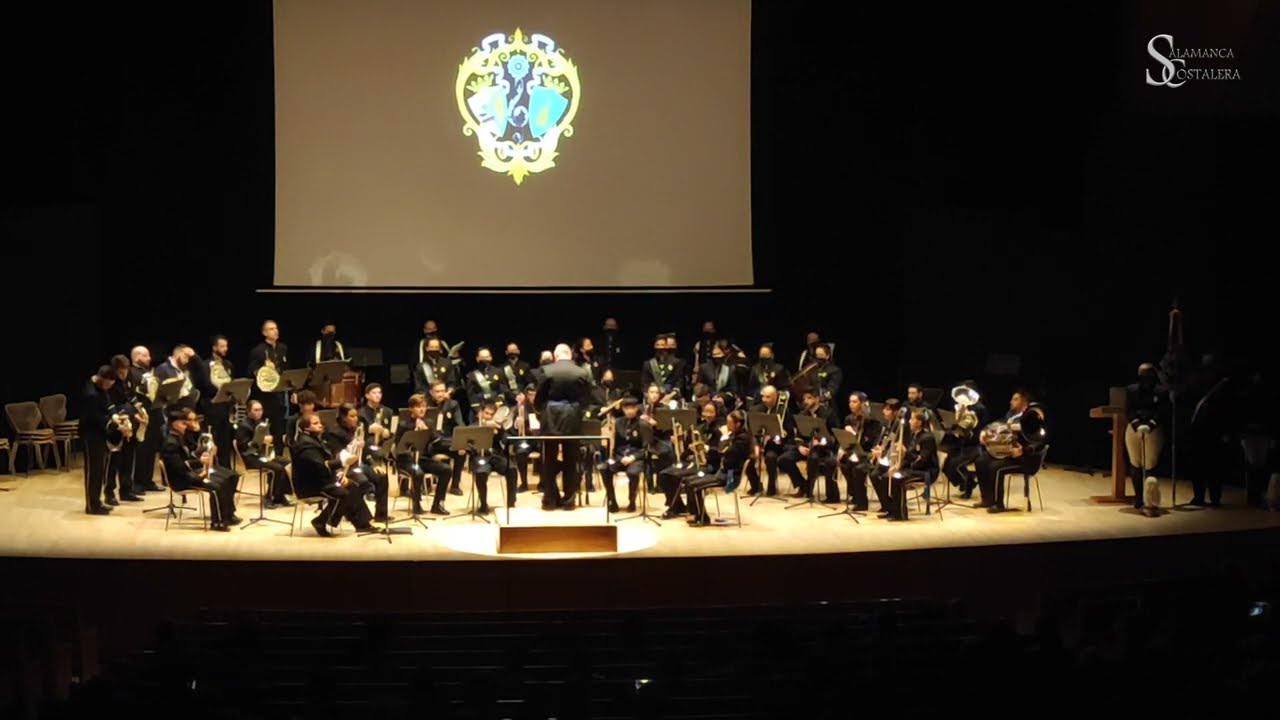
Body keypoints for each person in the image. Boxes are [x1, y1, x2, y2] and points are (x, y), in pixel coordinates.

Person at [290, 413, 375, 536]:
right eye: (315, 424)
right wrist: (342, 462)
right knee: (343, 494)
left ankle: (362, 524)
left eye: (319, 423)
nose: (320, 426)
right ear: (306, 428)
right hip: (310, 485)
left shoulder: (314, 440)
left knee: (353, 486)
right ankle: (320, 521)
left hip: (320, 479)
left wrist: (338, 474)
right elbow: (319, 465)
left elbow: (324, 464)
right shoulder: (304, 444)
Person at [160, 406, 240, 530]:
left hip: (188, 474)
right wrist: (199, 466)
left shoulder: (178, 437)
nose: (186, 426)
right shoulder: (170, 443)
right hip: (182, 479)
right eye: (183, 423)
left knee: (231, 476)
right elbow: (179, 466)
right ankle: (217, 522)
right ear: (174, 424)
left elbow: (188, 456)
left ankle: (228, 514)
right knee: (217, 486)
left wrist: (206, 450)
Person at [535, 343, 592, 509]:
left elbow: (540, 397)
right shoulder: (582, 372)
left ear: (555, 355)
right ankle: (569, 500)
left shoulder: (547, 370)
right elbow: (587, 398)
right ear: (570, 354)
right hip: (572, 416)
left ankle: (550, 500)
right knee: (571, 460)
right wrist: (578, 411)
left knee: (549, 460)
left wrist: (542, 412)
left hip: (551, 416)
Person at [976, 389, 1047, 512]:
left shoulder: (1032, 417)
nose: (1011, 402)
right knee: (981, 461)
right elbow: (997, 423)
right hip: (1010, 456)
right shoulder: (1010, 415)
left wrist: (1024, 450)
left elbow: (1039, 442)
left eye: (1015, 399)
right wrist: (985, 430)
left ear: (1024, 401)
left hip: (1025, 460)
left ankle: (999, 504)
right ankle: (987, 499)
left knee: (995, 467)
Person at [685, 409, 753, 526]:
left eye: (729, 423)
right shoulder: (736, 435)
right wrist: (707, 449)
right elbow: (723, 453)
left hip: (730, 477)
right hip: (723, 473)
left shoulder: (742, 439)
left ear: (738, 424)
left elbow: (725, 452)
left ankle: (702, 518)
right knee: (688, 481)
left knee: (693, 485)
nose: (726, 425)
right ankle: (697, 514)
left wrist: (724, 437)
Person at [324, 403, 389, 522]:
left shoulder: (358, 430)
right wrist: (353, 445)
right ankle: (354, 513)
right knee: (362, 482)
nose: (356, 419)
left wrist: (374, 464)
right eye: (352, 416)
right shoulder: (334, 432)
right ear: (343, 418)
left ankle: (381, 514)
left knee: (382, 476)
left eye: (356, 416)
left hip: (359, 465)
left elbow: (366, 451)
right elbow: (338, 455)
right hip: (344, 468)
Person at [870, 410, 939, 521]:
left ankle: (901, 514)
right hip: (912, 469)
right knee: (885, 477)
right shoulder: (914, 435)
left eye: (912, 419)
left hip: (926, 471)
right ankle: (891, 509)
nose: (910, 422)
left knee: (896, 479)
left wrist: (905, 453)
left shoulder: (927, 438)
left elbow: (922, 461)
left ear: (920, 422)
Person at [393, 393, 452, 516]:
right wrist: (415, 430)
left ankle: (437, 505)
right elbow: (399, 447)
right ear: (411, 409)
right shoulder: (404, 424)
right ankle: (416, 504)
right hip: (406, 460)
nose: (422, 409)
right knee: (418, 472)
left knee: (446, 469)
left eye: (424, 406)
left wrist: (426, 430)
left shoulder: (429, 422)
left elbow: (436, 441)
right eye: (418, 407)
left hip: (423, 459)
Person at [234, 399, 292, 508]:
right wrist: (260, 441)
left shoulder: (261, 423)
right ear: (248, 411)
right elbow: (244, 446)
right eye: (256, 410)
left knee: (287, 463)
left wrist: (269, 440)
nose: (259, 412)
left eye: (260, 410)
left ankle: (280, 495)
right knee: (277, 468)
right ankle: (268, 497)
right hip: (250, 457)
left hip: (262, 455)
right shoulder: (244, 426)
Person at [1125, 363, 1168, 508]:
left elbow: (1162, 412)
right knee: (1135, 462)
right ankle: (1138, 498)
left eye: (1147, 375)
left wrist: (1150, 424)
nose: (1144, 378)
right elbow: (1129, 410)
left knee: (1150, 464)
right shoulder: (1131, 390)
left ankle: (1150, 499)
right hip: (1134, 428)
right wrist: (1136, 424)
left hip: (1153, 429)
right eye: (1141, 375)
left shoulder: (1161, 391)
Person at [80, 366, 118, 515]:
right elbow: (96, 418)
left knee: (100, 470)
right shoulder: (90, 393)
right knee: (93, 471)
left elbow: (108, 405)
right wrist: (115, 425)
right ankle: (91, 505)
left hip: (100, 434)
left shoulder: (100, 389)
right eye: (109, 383)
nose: (109, 387)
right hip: (91, 435)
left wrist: (114, 416)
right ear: (103, 378)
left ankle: (97, 501)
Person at [836, 392, 883, 511]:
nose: (851, 404)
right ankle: (855, 494)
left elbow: (870, 442)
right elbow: (845, 439)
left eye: (854, 402)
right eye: (850, 402)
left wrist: (854, 434)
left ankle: (862, 501)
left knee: (858, 467)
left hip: (868, 453)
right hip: (854, 451)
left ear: (863, 404)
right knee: (843, 462)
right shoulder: (849, 419)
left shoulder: (872, 421)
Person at [940, 380, 987, 498]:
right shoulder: (959, 407)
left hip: (973, 446)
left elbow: (979, 426)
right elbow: (956, 423)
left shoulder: (979, 408)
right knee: (946, 467)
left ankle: (968, 483)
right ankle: (967, 480)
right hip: (960, 444)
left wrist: (966, 426)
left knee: (954, 466)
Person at [470, 403, 519, 513]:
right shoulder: (472, 426)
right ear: (480, 413)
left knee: (511, 469)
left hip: (496, 456)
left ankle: (511, 503)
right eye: (486, 413)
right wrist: (484, 425)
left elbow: (508, 440)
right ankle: (483, 505)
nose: (488, 416)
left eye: (491, 414)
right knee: (481, 473)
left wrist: (500, 431)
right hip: (480, 457)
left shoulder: (497, 427)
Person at [128, 346, 163, 493]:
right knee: (140, 450)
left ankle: (147, 480)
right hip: (141, 416)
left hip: (154, 415)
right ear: (136, 358)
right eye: (145, 355)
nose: (149, 358)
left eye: (149, 355)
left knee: (151, 450)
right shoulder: (131, 373)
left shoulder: (148, 373)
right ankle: (136, 483)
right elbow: (130, 395)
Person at [247, 320, 289, 441]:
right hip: (266, 396)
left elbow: (286, 369)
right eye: (271, 329)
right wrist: (263, 369)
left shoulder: (282, 348)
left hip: (280, 394)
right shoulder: (258, 351)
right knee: (267, 427)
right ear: (264, 333)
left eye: (276, 328)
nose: (275, 331)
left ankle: (280, 455)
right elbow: (251, 373)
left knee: (280, 427)